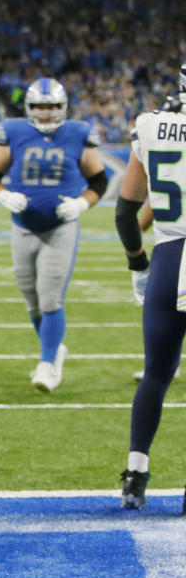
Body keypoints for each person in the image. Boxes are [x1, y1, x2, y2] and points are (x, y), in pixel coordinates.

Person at [0, 78, 108, 392]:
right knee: (32, 301)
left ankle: (48, 364)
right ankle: (54, 348)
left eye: (52, 106)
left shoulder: (78, 133)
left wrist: (81, 203)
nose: (46, 112)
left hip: (59, 228)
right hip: (22, 226)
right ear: (29, 108)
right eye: (39, 106)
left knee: (50, 298)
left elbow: (99, 181)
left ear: (63, 108)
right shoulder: (14, 131)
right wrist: (2, 195)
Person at [115, 62, 186, 511]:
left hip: (169, 256)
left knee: (157, 373)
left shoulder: (151, 126)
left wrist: (139, 265)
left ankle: (135, 474)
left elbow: (126, 213)